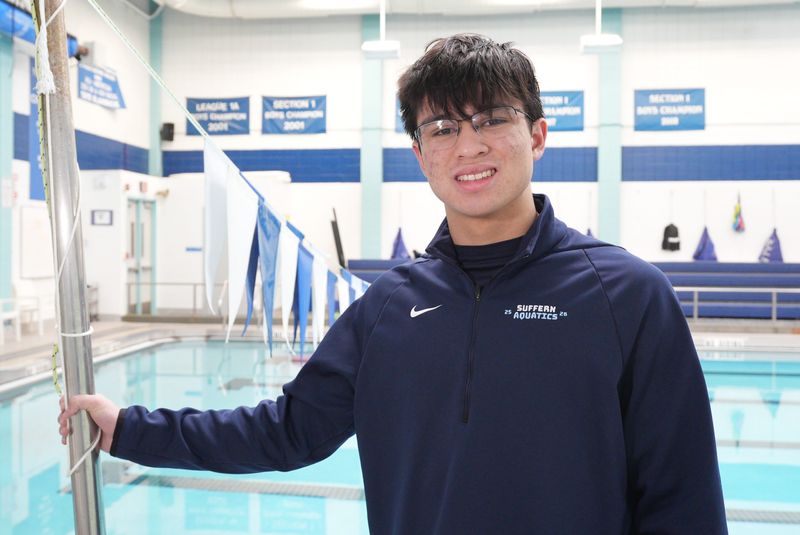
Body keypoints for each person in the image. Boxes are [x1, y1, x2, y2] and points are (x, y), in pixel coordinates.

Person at [59, 34, 727, 534]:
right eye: (441, 127)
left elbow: (684, 496)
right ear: (419, 155)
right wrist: (128, 428)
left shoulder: (627, 297)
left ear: (539, 134)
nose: (469, 145)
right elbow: (285, 429)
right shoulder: (386, 309)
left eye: (493, 118)